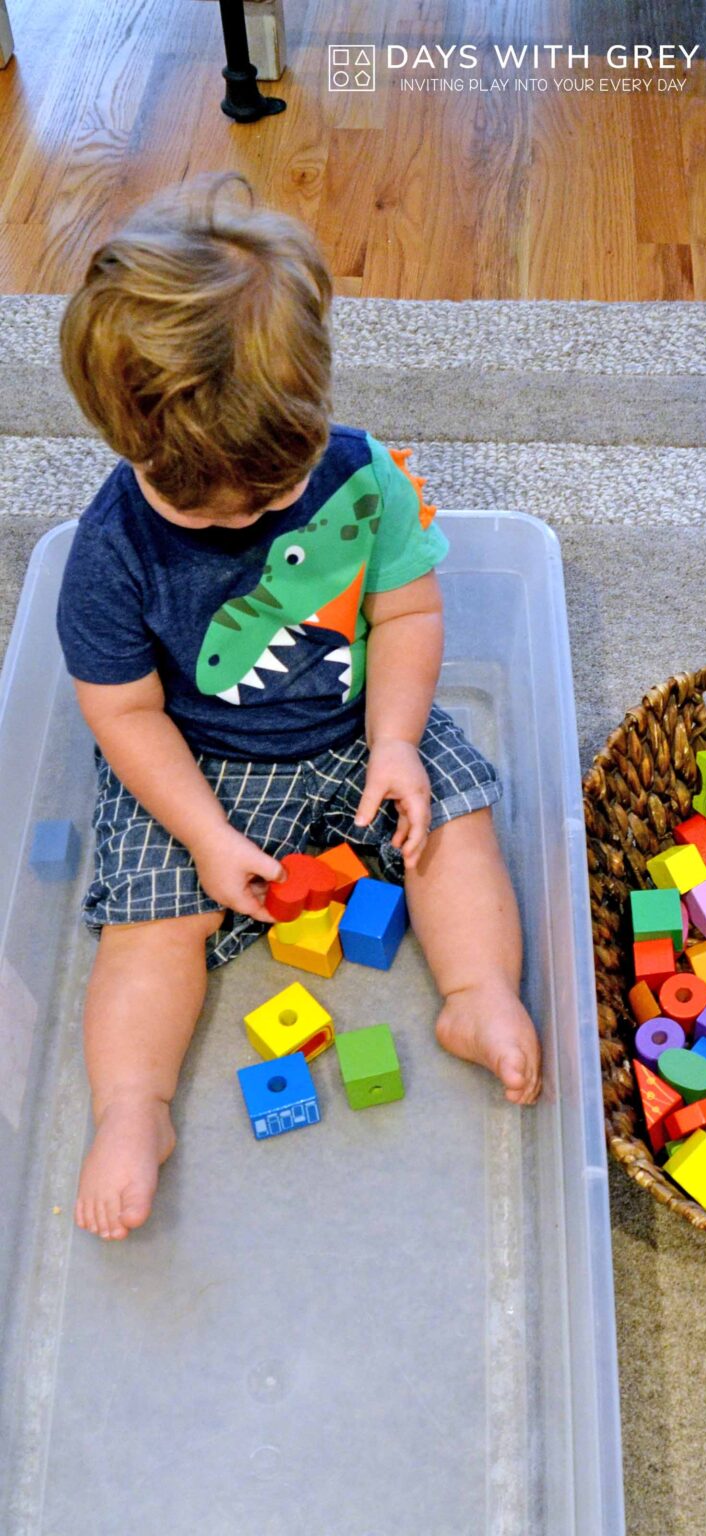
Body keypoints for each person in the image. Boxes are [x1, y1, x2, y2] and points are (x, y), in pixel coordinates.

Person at [56, 173, 542, 1243]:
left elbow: (408, 614)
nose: (247, 519)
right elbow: (124, 715)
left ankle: (476, 993)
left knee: (457, 824)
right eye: (205, 506)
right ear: (127, 445)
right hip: (193, 765)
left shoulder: (362, 475)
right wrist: (204, 832)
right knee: (147, 931)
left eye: (275, 496)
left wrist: (399, 745)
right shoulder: (108, 553)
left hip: (354, 735)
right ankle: (133, 1110)